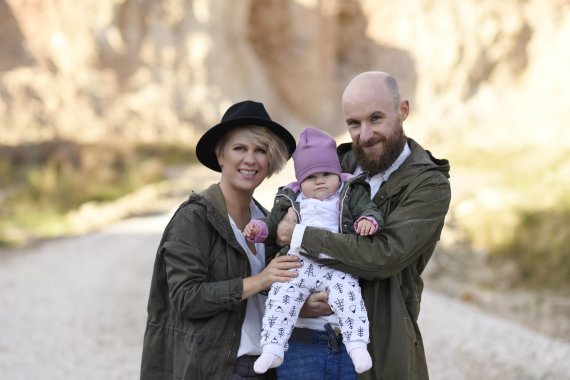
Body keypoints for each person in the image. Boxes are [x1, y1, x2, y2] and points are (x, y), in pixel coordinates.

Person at [275, 72, 451, 380]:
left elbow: (383, 256)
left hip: (377, 350)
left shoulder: (429, 185)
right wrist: (297, 300)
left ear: (403, 111)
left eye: (376, 118)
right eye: (354, 123)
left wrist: (302, 235)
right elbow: (281, 228)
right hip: (305, 350)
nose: (365, 134)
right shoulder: (333, 165)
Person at [140, 100, 302, 380]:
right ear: (220, 155)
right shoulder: (194, 218)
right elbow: (186, 298)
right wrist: (260, 280)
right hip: (218, 369)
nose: (250, 159)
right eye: (239, 148)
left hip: (269, 369)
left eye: (260, 150)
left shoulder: (266, 221)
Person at [242, 127, 384, 375]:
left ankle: (357, 345)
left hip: (335, 264)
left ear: (338, 174)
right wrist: (259, 229)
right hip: (299, 265)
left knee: (350, 296)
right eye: (310, 177)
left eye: (327, 174)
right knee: (281, 297)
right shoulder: (291, 198)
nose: (319, 181)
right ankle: (272, 347)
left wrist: (368, 221)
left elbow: (369, 209)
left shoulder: (349, 193)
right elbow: (274, 224)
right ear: (300, 181)